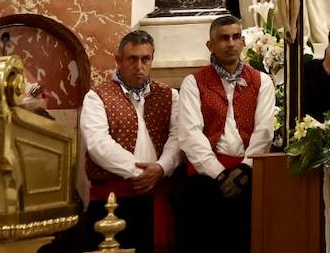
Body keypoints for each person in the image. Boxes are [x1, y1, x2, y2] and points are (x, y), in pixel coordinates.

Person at [176, 15, 275, 253]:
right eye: (223, 38)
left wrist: (244, 169)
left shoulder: (262, 81)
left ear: (243, 42)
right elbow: (190, 135)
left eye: (236, 37)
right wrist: (219, 175)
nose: (231, 43)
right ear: (210, 45)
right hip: (204, 180)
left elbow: (264, 131)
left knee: (245, 243)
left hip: (247, 177)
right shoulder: (193, 82)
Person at [80, 31, 181, 253]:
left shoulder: (170, 95)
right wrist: (142, 173)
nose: (139, 66)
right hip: (112, 202)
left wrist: (162, 168)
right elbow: (98, 144)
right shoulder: (96, 97)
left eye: (145, 59)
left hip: (158, 195)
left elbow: (177, 138)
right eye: (132, 59)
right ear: (118, 60)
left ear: (152, 59)